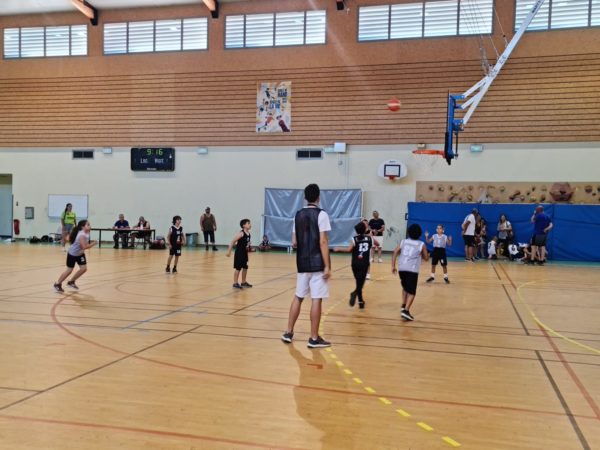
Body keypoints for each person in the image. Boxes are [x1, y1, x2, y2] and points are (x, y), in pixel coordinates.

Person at [281, 183, 332, 348]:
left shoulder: (297, 215)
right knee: (316, 299)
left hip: (302, 263)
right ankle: (314, 338)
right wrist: (327, 265)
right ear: (318, 197)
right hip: (317, 264)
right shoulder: (322, 214)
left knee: (298, 296)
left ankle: (288, 332)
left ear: (304, 197)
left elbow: (294, 242)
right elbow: (323, 241)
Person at [392, 224, 429, 321]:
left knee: (405, 288)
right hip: (412, 270)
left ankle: (403, 305)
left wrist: (393, 266)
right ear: (419, 233)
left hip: (402, 269)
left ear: (409, 232)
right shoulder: (421, 244)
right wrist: (426, 254)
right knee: (412, 292)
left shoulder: (403, 241)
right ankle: (406, 311)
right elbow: (426, 258)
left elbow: (395, 252)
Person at [334, 221, 372, 309]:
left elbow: (348, 250)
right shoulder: (369, 239)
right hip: (364, 264)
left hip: (355, 263)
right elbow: (377, 244)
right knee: (360, 283)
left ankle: (361, 301)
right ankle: (354, 293)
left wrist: (339, 249)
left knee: (358, 282)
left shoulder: (354, 239)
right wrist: (370, 236)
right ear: (365, 229)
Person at [53, 220, 96, 292]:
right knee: (69, 270)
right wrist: (94, 243)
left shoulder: (87, 232)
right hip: (72, 254)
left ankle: (71, 282)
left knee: (83, 269)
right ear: (82, 227)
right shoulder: (82, 235)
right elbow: (84, 247)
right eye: (88, 225)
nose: (90, 226)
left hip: (80, 254)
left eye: (89, 224)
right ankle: (57, 284)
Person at [226, 219, 253, 289]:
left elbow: (246, 244)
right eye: (248, 223)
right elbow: (233, 241)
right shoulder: (241, 233)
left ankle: (243, 282)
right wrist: (229, 251)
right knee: (238, 268)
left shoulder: (248, 233)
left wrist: (250, 248)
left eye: (250, 223)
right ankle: (235, 283)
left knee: (245, 267)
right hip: (239, 253)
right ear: (244, 225)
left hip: (244, 253)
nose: (250, 225)